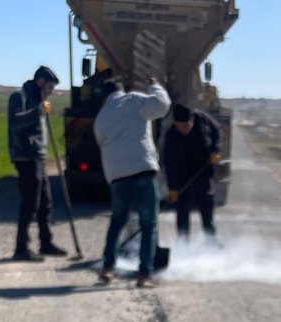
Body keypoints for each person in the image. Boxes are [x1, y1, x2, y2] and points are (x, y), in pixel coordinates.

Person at [93, 77, 171, 287]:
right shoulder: (133, 100)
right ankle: (144, 275)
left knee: (117, 222)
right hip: (142, 171)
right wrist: (155, 86)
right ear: (120, 90)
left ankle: (108, 269)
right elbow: (161, 106)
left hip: (117, 177)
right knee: (149, 224)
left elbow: (102, 142)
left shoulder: (101, 117)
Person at [8, 66, 68, 261]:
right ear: (41, 82)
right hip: (25, 156)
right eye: (50, 87)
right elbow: (15, 123)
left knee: (46, 203)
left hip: (38, 157)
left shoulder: (39, 99)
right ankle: (21, 247)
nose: (51, 91)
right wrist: (38, 112)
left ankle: (46, 242)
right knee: (30, 203)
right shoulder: (20, 97)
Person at [162, 104, 222, 241]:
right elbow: (169, 164)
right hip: (182, 177)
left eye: (187, 125)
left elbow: (217, 131)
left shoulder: (202, 120)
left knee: (206, 211)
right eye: (181, 126)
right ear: (175, 124)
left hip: (203, 172)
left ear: (192, 120)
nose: (184, 129)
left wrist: (215, 150)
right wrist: (172, 189)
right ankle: (183, 244)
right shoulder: (171, 136)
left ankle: (211, 242)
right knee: (182, 211)